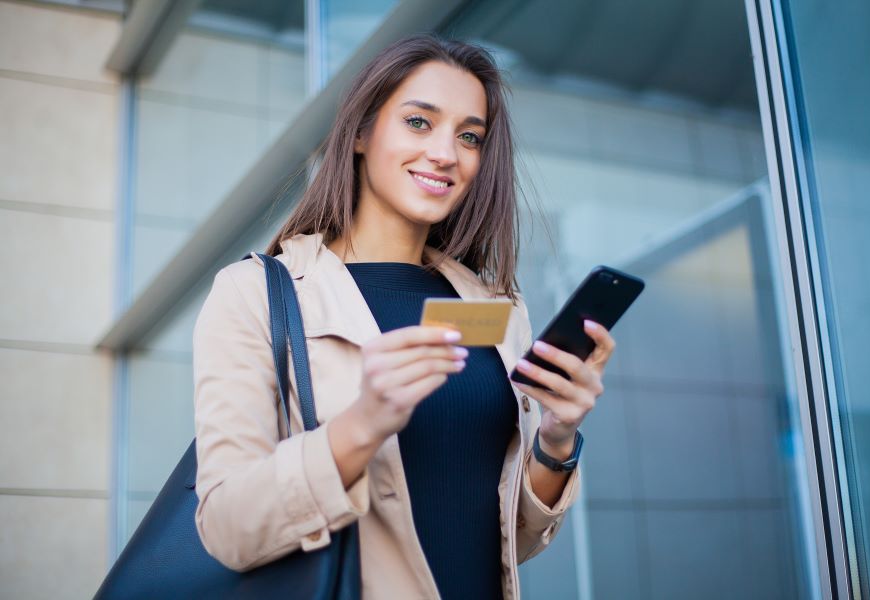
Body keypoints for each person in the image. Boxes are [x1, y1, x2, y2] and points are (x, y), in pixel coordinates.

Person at [192, 33, 615, 600]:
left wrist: (558, 439)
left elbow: (511, 540)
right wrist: (362, 424)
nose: (446, 153)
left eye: (470, 136)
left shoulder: (495, 310)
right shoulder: (255, 293)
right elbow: (227, 528)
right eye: (419, 122)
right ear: (362, 132)